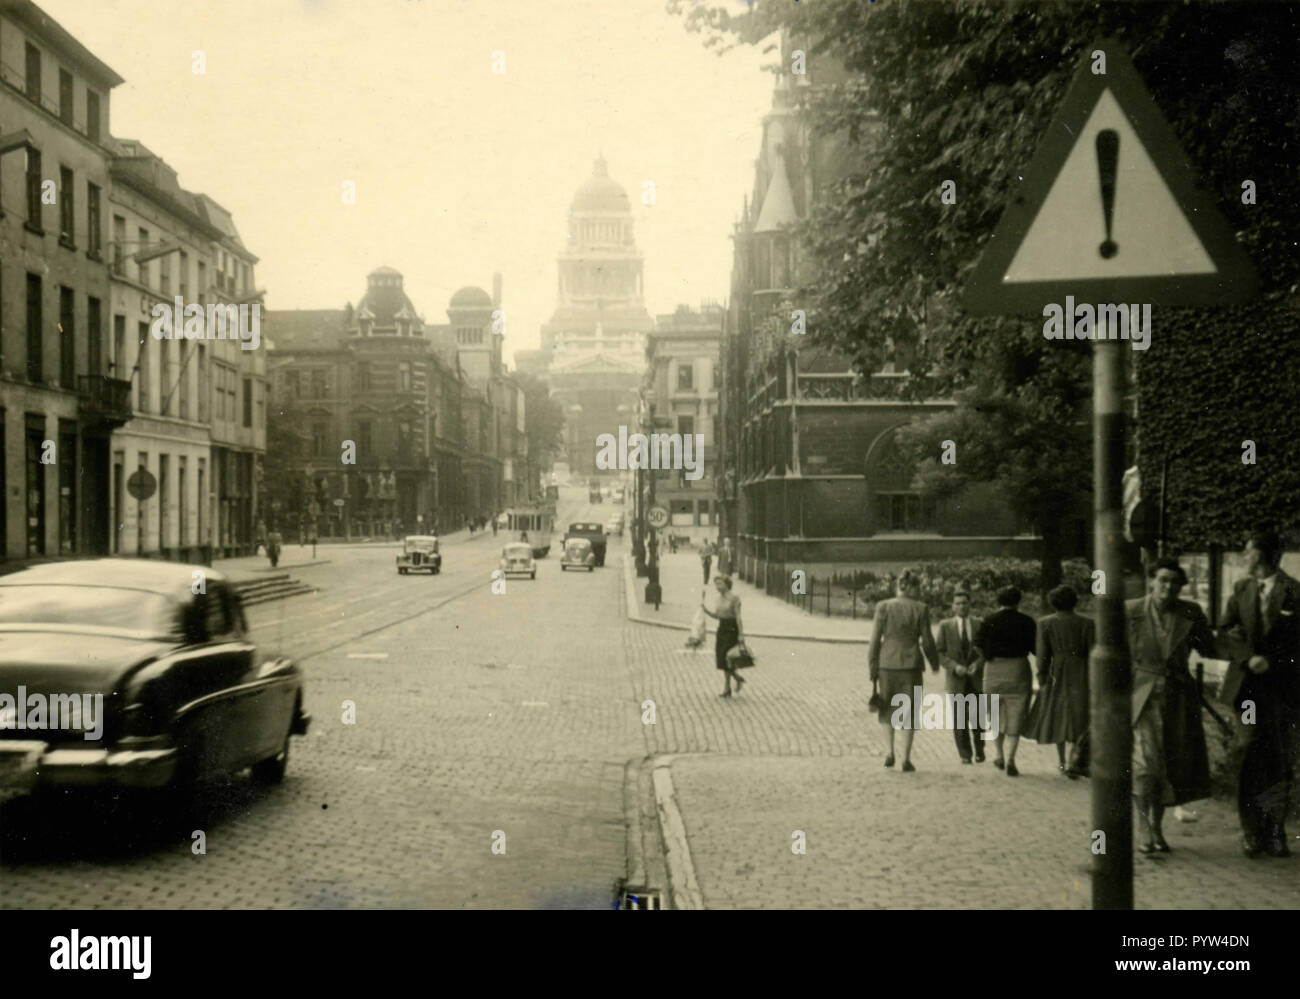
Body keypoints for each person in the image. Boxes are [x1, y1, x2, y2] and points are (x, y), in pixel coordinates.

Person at [1126, 557, 1217, 855]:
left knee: (1168, 766)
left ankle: (1158, 828)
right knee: (1145, 766)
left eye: (1175, 582)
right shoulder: (1131, 611)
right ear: (1152, 580)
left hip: (1177, 700)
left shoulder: (1191, 613)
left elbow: (1211, 647)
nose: (1168, 587)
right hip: (1141, 699)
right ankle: (1144, 828)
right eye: (1163, 580)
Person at [1218, 529, 1298, 858]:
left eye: (1248, 552)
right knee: (1249, 749)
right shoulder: (1241, 588)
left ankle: (1275, 828)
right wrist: (1247, 657)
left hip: (1283, 691)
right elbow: (1225, 631)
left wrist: (1275, 663)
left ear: (1264, 555)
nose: (1244, 557)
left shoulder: (1294, 592)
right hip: (1249, 692)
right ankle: (1251, 830)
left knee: (1279, 757)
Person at [868, 571, 939, 772]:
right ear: (911, 587)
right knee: (909, 710)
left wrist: (872, 666)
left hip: (887, 663)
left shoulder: (883, 607)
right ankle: (906, 758)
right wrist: (934, 663)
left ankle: (889, 752)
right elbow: (927, 640)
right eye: (918, 588)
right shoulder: (920, 608)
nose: (919, 592)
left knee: (887, 707)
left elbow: (874, 641)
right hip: (911, 664)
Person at [1025, 585, 1095, 777]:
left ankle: (1062, 762)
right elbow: (1093, 652)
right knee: (1080, 715)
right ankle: (1076, 758)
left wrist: (1042, 677)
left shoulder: (1045, 623)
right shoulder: (1088, 623)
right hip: (1082, 671)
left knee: (1059, 715)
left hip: (1057, 671)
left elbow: (1042, 656)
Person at [977, 586, 1036, 776]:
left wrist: (987, 656)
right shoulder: (1027, 621)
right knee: (1016, 715)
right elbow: (1035, 648)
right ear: (1018, 601)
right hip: (1018, 669)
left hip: (993, 670)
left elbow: (977, 645)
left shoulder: (989, 620)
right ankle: (1011, 758)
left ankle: (999, 755)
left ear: (998, 600)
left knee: (994, 714)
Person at [935, 588, 986, 764]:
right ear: (952, 606)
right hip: (956, 679)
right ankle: (965, 754)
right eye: (958, 603)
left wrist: (978, 664)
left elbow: (986, 650)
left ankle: (980, 749)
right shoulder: (945, 626)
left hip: (976, 677)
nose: (962, 606)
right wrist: (954, 667)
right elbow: (939, 653)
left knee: (978, 717)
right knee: (959, 719)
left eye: (965, 603)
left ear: (970, 604)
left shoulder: (979, 624)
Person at [701, 574, 746, 698]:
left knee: (728, 657)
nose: (717, 586)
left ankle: (727, 687)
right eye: (716, 584)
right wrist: (706, 611)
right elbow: (717, 616)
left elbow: (738, 617)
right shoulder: (718, 599)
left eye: (719, 583)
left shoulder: (734, 598)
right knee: (721, 658)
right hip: (722, 628)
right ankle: (736, 679)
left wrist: (741, 635)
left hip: (732, 629)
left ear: (727, 584)